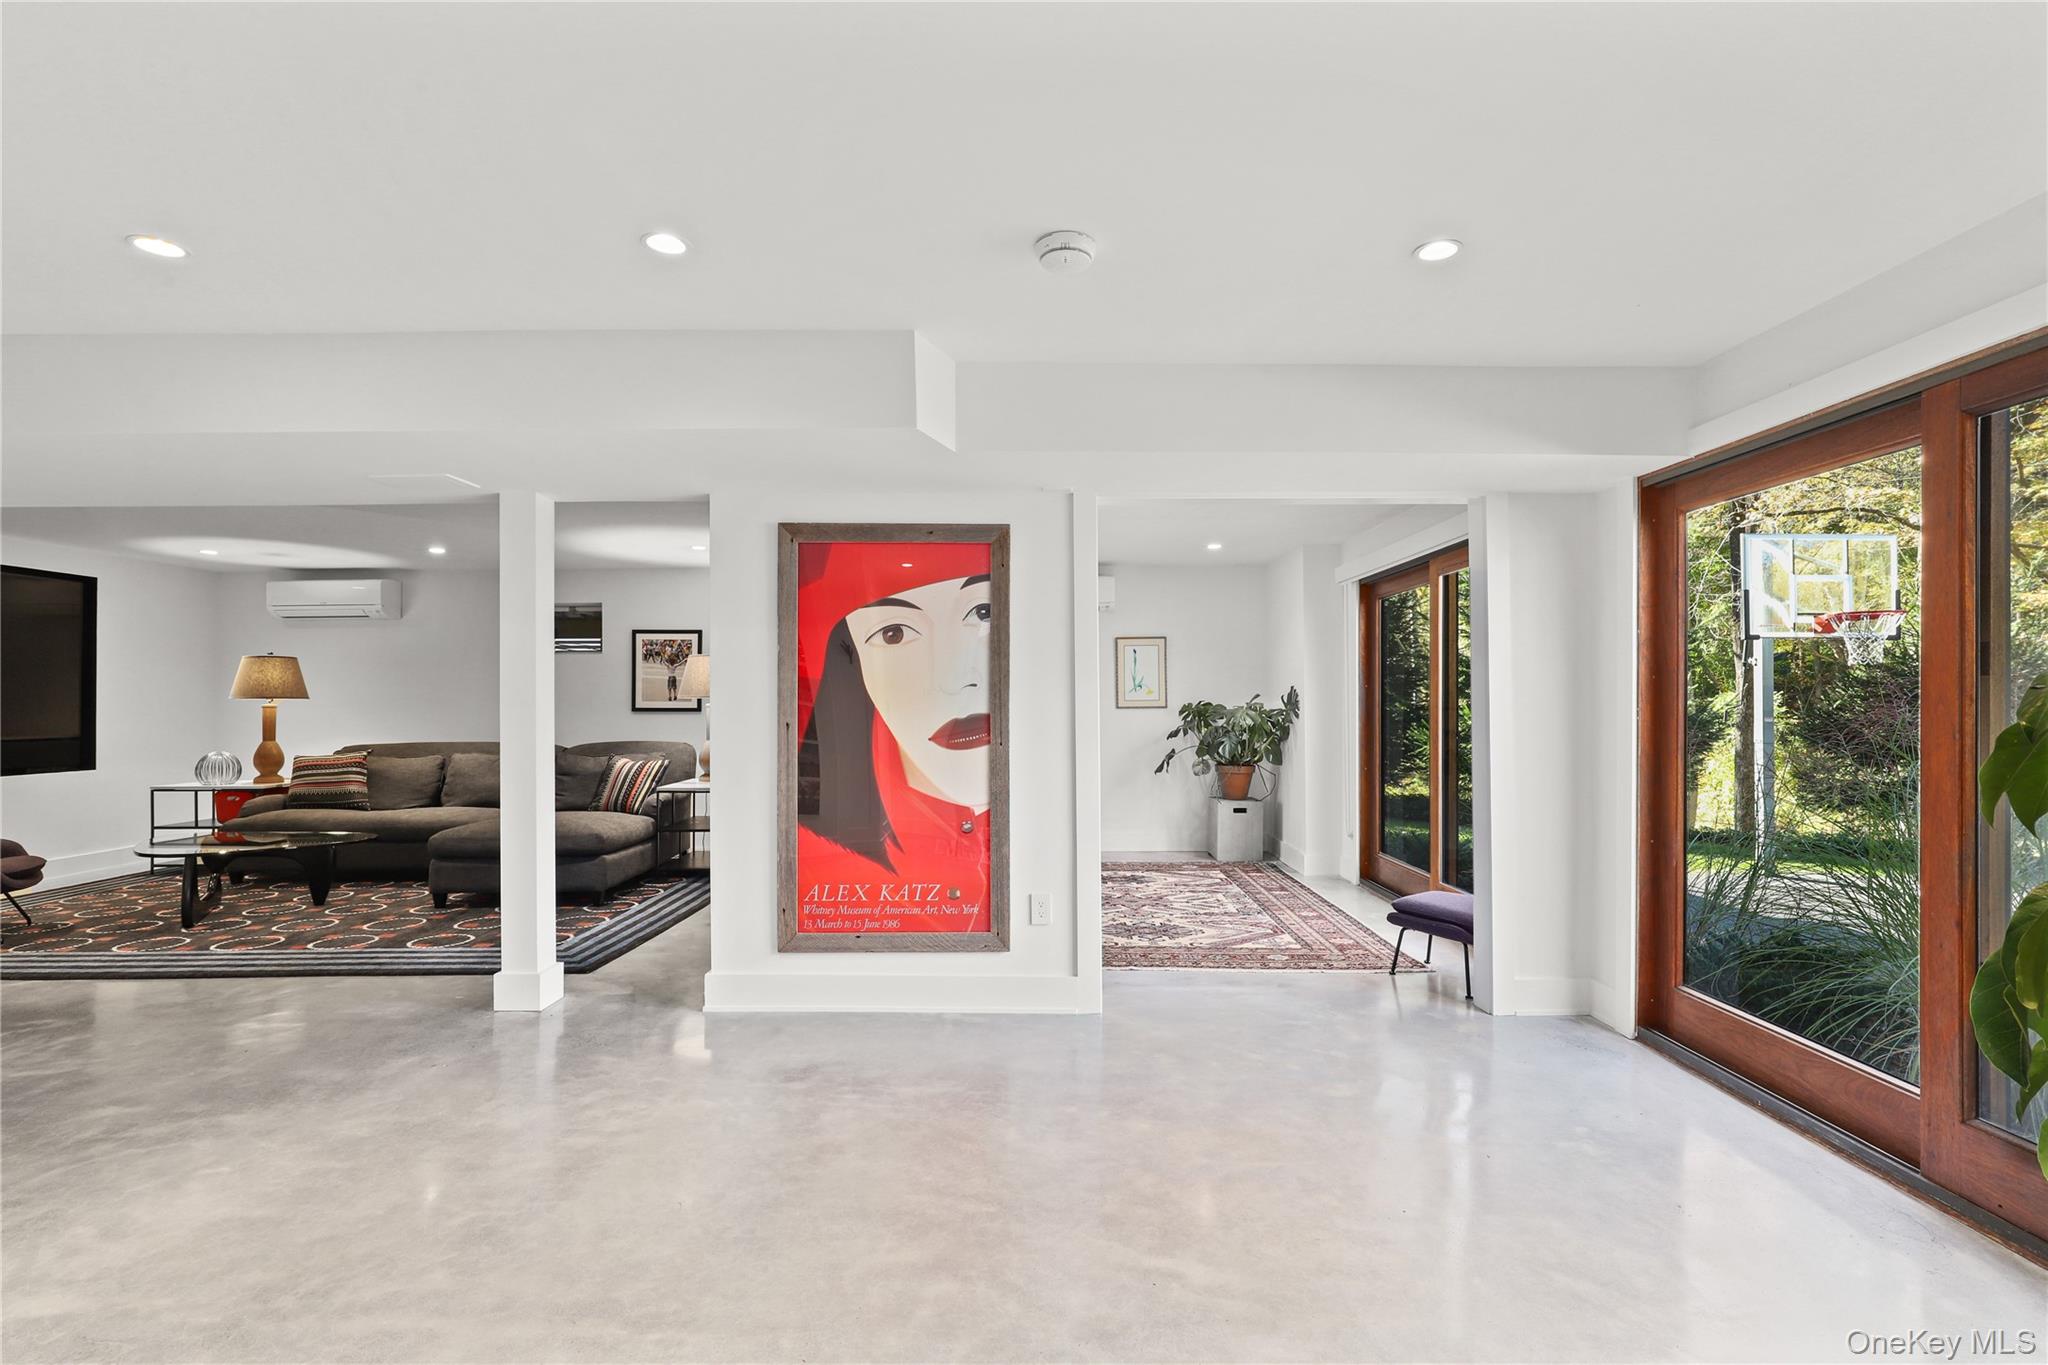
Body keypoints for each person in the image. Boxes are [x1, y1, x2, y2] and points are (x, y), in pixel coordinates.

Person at [794, 541, 992, 934]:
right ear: (853, 669)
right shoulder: (818, 861)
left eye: (983, 612)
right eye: (894, 634)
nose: (954, 680)